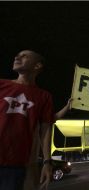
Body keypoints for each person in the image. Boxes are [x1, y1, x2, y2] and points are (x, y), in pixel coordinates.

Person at [0, 50, 55, 190]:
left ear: (37, 66)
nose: (17, 57)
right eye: (17, 54)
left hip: (13, 166)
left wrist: (47, 162)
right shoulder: (2, 85)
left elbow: (46, 130)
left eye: (24, 56)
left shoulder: (44, 96)